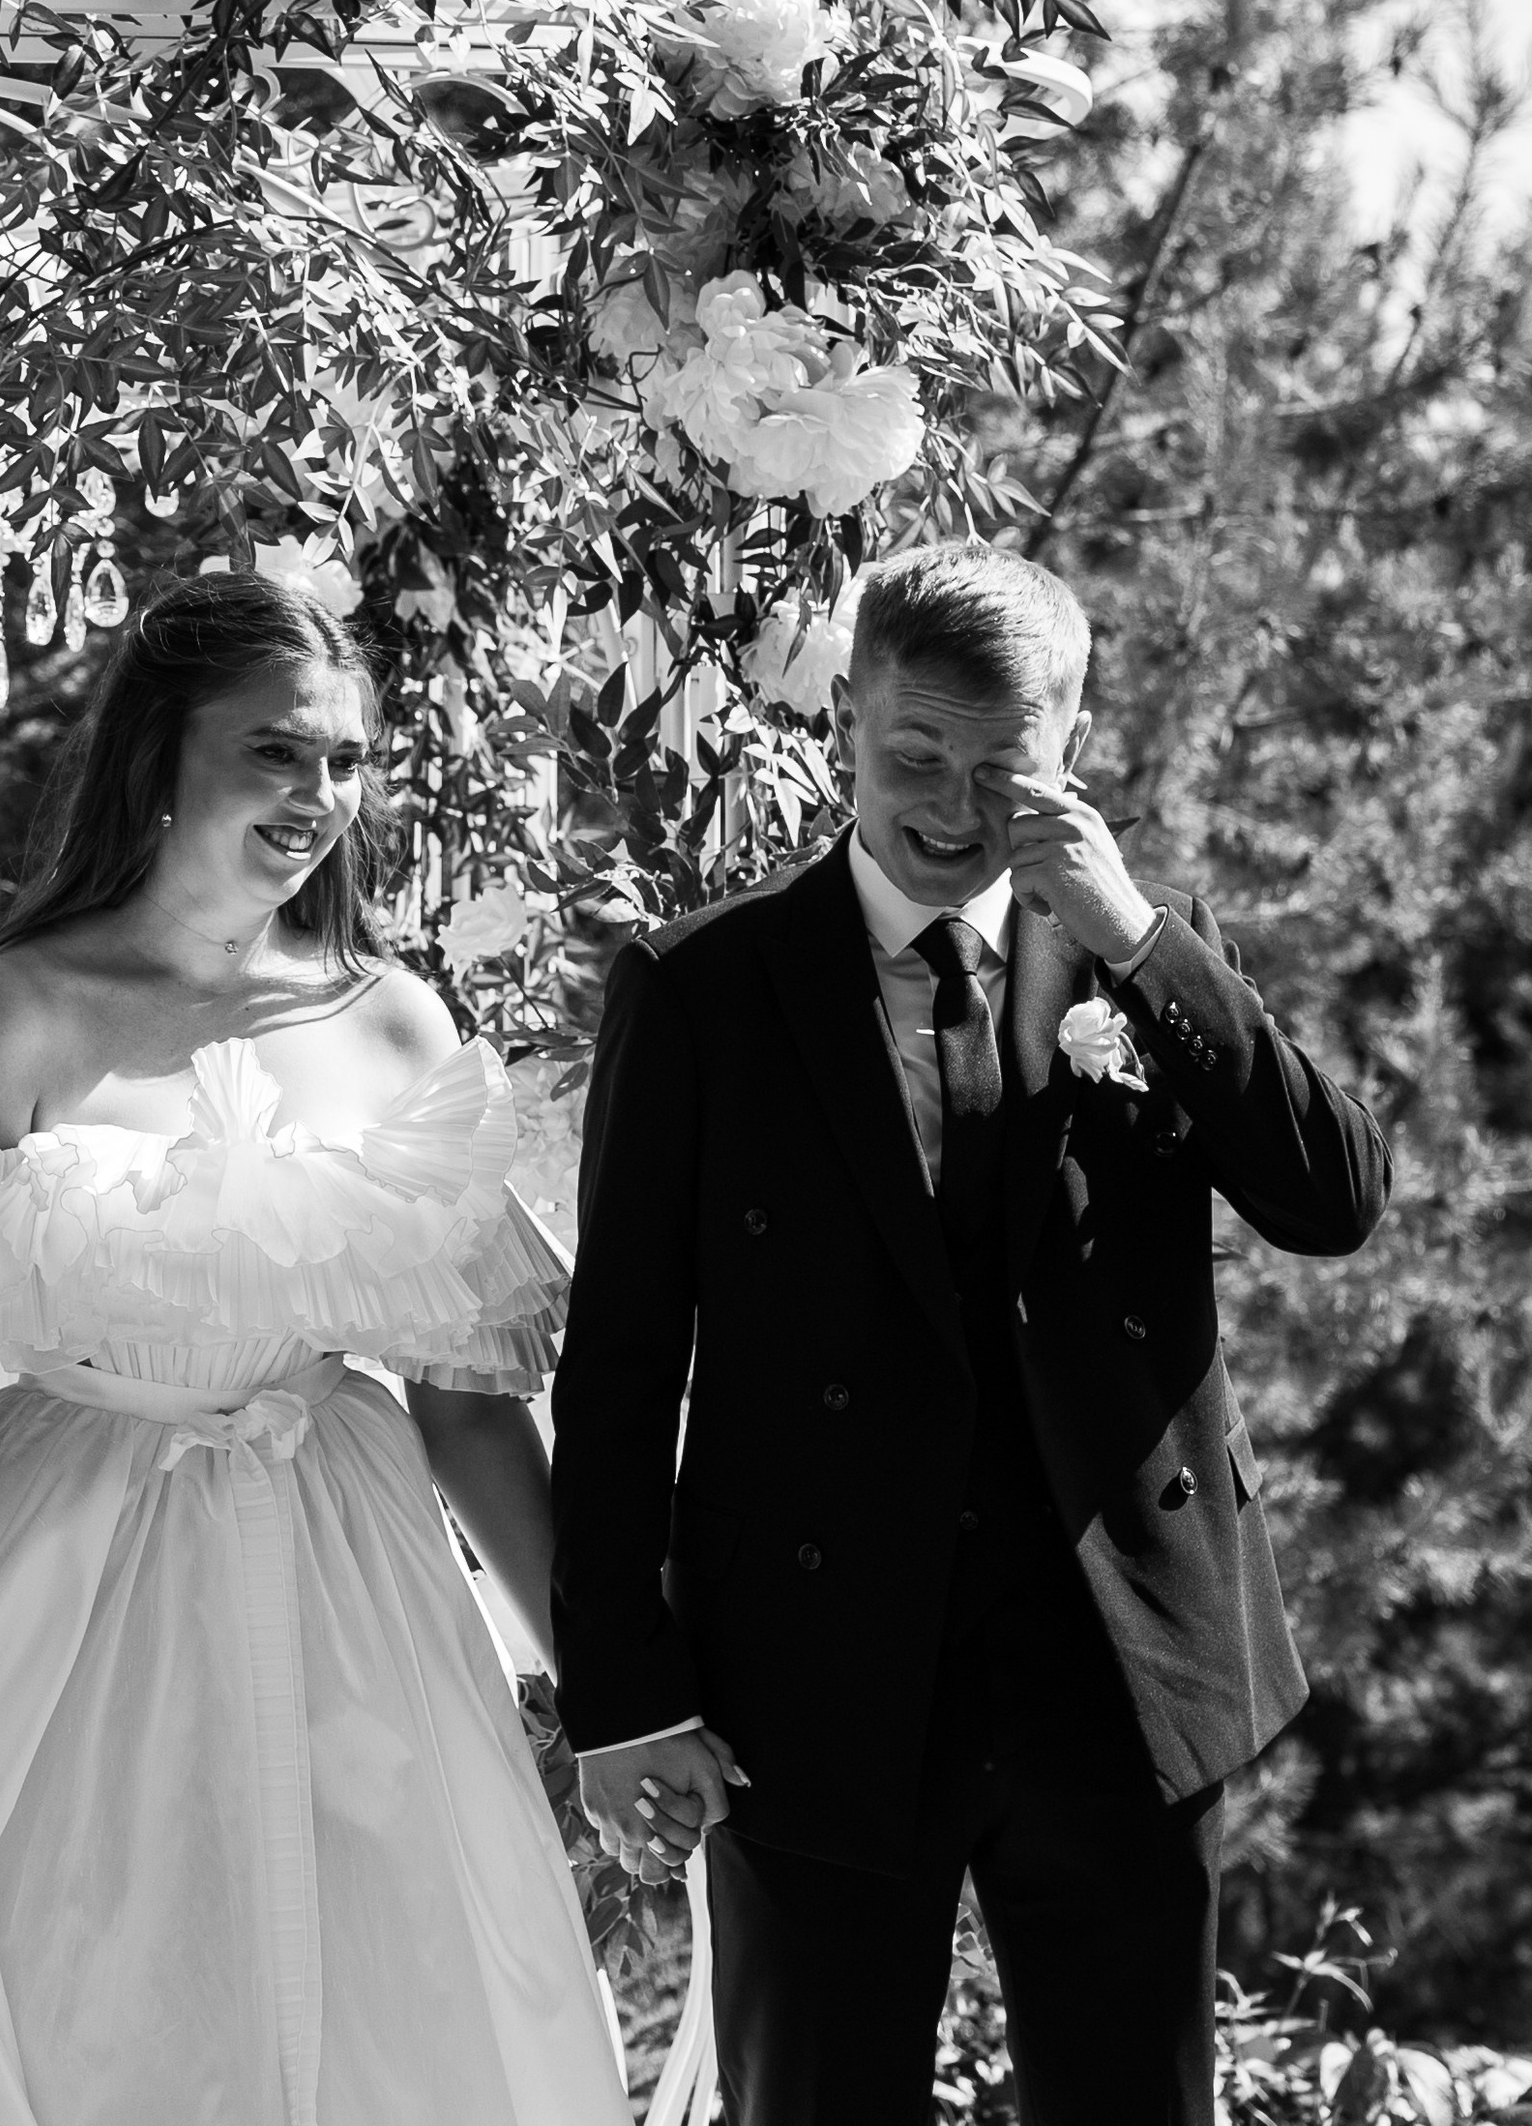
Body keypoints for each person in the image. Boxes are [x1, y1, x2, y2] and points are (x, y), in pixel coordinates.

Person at [0, 571, 630, 2126]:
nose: (319, 796)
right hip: (58, 1595)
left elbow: (473, 1416)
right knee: (77, 1998)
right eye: (275, 751)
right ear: (162, 757)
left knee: (385, 2011)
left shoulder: (397, 1025)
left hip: (351, 1593)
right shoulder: (16, 1013)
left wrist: (609, 1682)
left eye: (345, 760)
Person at [549, 542, 1392, 2126]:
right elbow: (619, 1365)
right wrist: (625, 1694)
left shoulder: (1148, 953)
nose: (950, 806)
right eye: (913, 756)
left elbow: (1333, 1198)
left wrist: (1134, 933)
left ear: (1072, 743)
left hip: (1119, 1660)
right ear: (845, 727)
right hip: (813, 1669)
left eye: (1000, 767)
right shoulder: (701, 986)